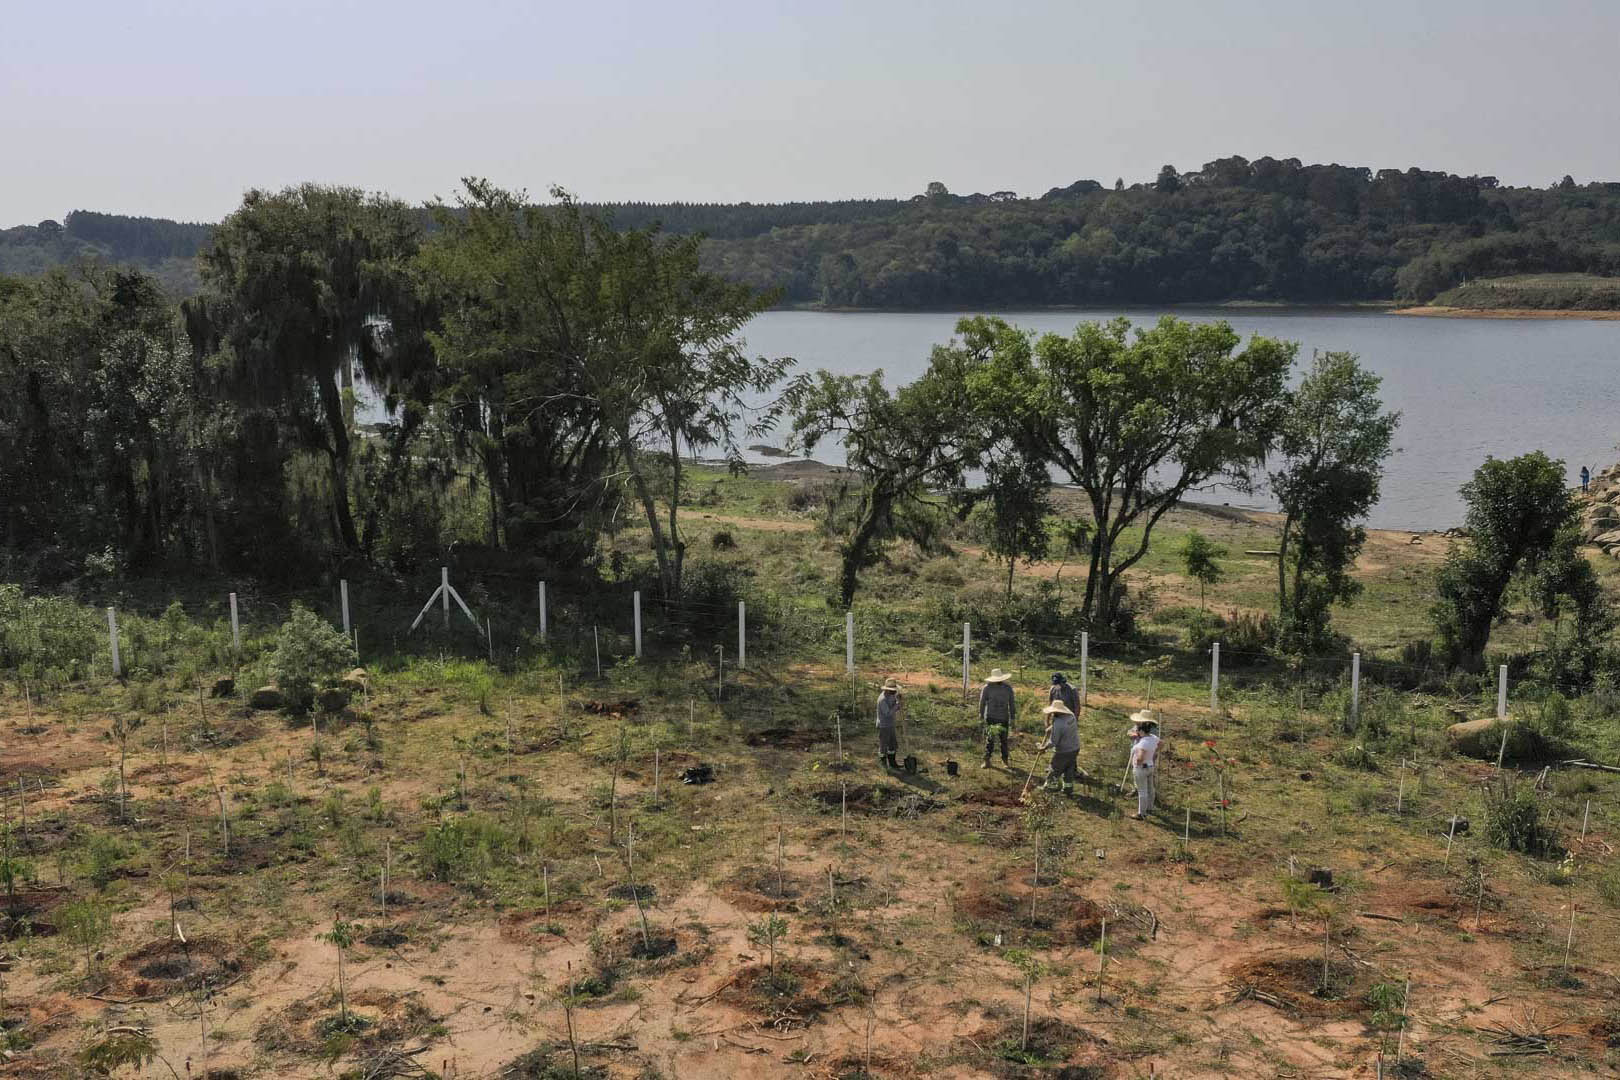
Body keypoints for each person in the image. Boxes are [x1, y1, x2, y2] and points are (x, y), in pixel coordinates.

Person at [1039, 700, 1080, 793]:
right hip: (1075, 748)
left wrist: (1044, 747)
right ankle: (1068, 789)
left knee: (1055, 768)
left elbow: (1053, 742)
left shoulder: (1058, 723)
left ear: (1057, 712)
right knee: (1069, 769)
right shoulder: (1071, 716)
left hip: (1063, 751)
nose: (1052, 713)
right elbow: (1064, 727)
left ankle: (1049, 787)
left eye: (1053, 712)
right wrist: (1051, 728)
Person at [1127, 711, 1160, 820]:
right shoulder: (1154, 738)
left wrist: (1138, 762)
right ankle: (1150, 807)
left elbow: (1140, 756)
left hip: (1142, 768)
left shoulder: (1142, 742)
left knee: (1142, 791)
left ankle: (1141, 813)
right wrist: (1155, 752)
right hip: (1150, 766)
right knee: (1151, 788)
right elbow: (1161, 743)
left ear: (1141, 730)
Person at [979, 668, 1015, 768]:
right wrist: (981, 716)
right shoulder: (987, 688)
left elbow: (1011, 703)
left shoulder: (1008, 688)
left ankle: (1005, 760)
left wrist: (1013, 718)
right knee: (990, 740)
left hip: (1003, 718)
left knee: (1004, 740)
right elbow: (982, 703)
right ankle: (987, 760)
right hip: (991, 717)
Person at [876, 679, 903, 770]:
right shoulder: (882, 699)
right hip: (884, 725)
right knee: (883, 745)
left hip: (890, 724)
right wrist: (897, 705)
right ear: (887, 690)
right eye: (893, 690)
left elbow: (895, 705)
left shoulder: (891, 695)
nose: (894, 692)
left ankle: (892, 763)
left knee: (892, 745)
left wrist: (898, 701)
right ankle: (883, 764)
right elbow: (887, 713)